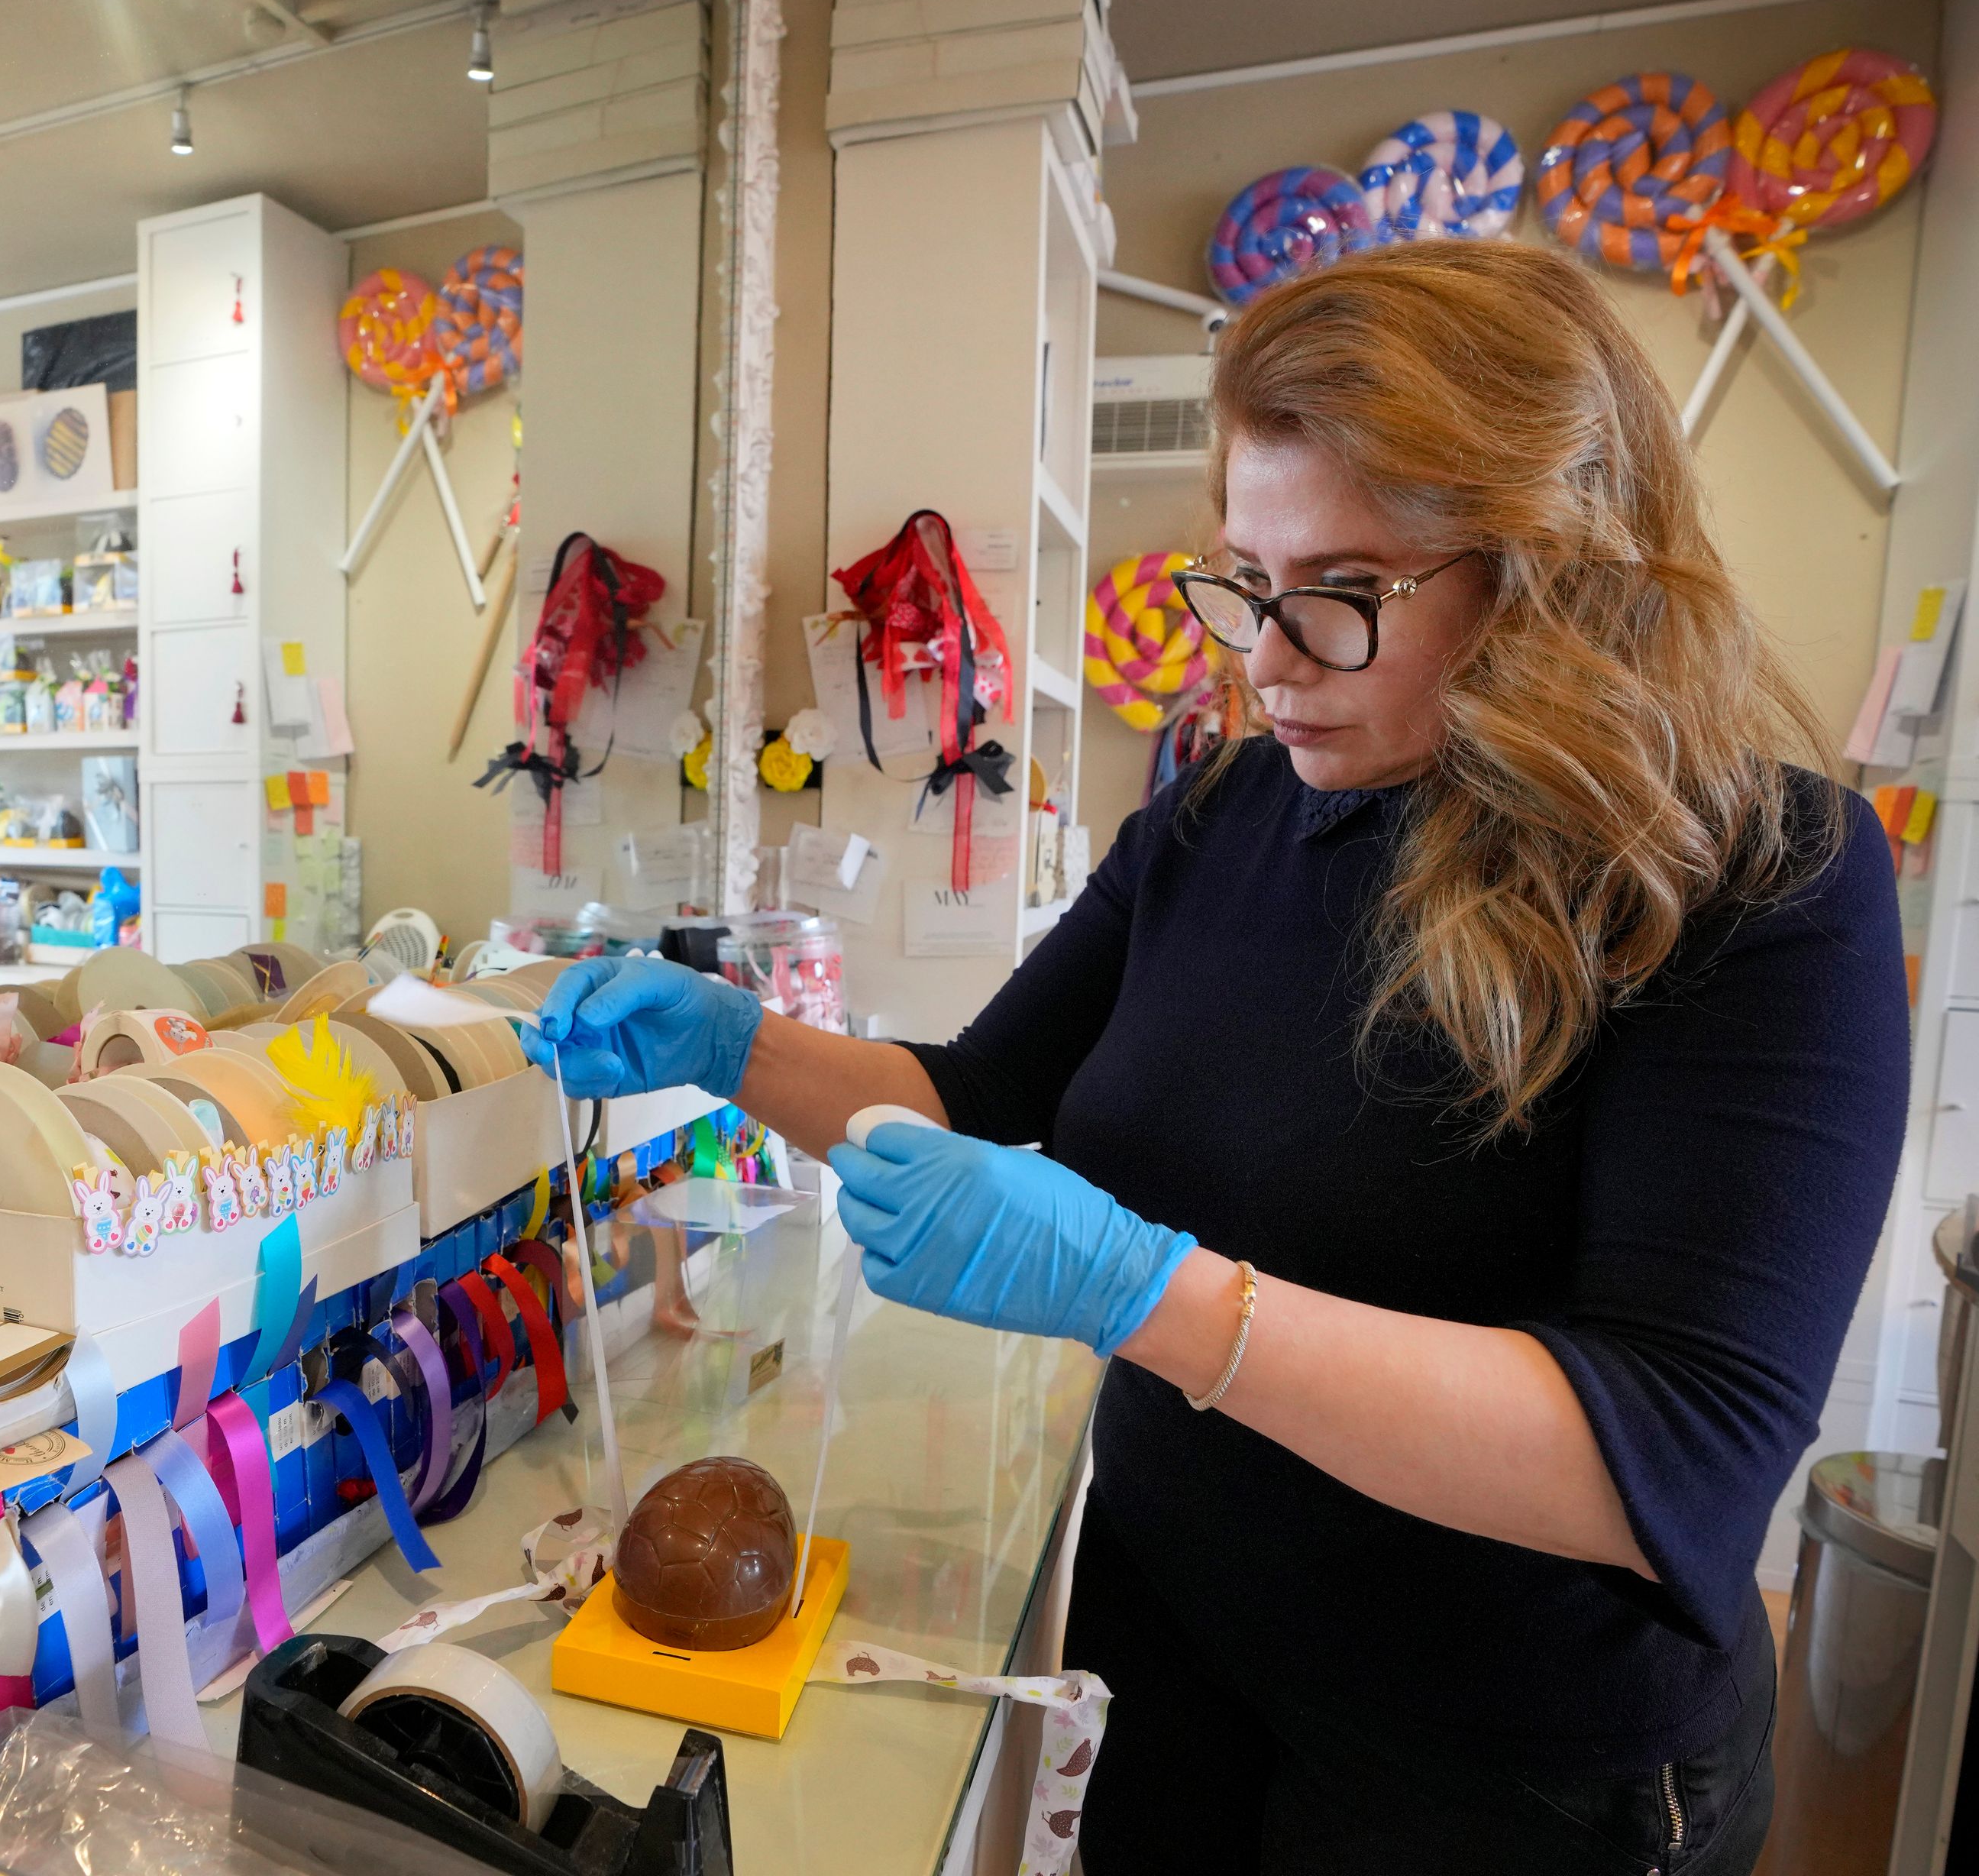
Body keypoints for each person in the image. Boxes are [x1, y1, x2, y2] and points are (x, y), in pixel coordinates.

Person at [522, 241, 1905, 1873]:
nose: (1262, 654)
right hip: (1184, 1653)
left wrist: (1150, 1294)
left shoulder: (1748, 879)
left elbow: (1672, 1448)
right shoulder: (1221, 818)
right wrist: (733, 1042)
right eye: (1246, 576)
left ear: (1550, 573)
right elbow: (974, 1090)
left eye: (1339, 591)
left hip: (1508, 1764)